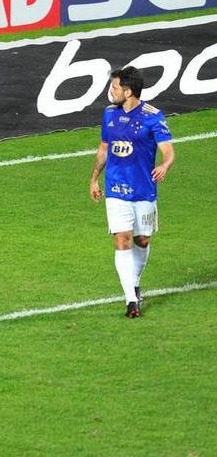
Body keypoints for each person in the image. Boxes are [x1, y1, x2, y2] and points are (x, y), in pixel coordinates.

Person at [89, 66, 174, 318]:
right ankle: (130, 301)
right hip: (116, 189)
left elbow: (167, 149)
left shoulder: (153, 116)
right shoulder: (109, 115)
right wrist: (94, 179)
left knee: (142, 240)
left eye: (114, 87)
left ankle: (134, 283)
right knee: (122, 240)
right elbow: (104, 148)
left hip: (144, 190)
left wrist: (165, 164)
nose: (110, 91)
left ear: (127, 91)